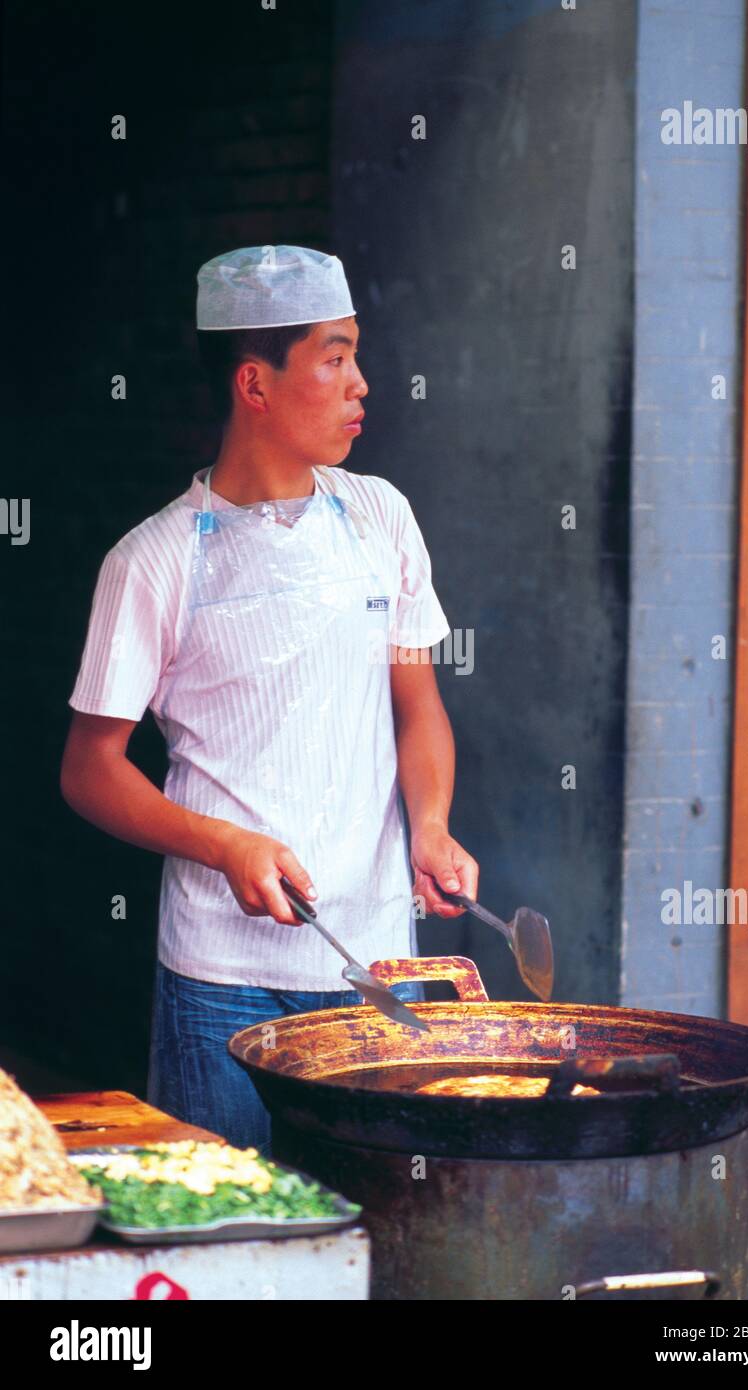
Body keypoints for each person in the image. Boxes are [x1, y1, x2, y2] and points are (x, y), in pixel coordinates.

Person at [61, 245, 479, 1152]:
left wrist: (433, 824)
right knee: (233, 1235)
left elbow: (418, 706)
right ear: (255, 383)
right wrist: (224, 844)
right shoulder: (154, 561)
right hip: (221, 980)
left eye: (355, 354)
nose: (361, 383)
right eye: (334, 358)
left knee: (381, 1236)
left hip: (380, 968)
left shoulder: (381, 517)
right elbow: (90, 771)